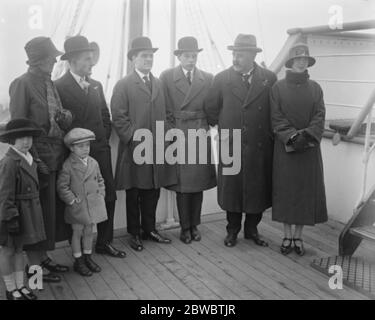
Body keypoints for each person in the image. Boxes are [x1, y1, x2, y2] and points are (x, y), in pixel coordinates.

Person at [55, 36, 125, 258]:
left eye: (92, 58)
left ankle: (104, 242)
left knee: (108, 195)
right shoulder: (59, 87)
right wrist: (76, 146)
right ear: (73, 60)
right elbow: (60, 123)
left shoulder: (95, 85)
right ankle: (78, 252)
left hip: (100, 150)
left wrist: (101, 138)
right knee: (76, 201)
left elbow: (105, 115)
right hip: (76, 156)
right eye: (87, 59)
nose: (91, 63)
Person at [9, 37, 72, 283]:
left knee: (48, 213)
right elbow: (18, 128)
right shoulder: (22, 84)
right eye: (51, 57)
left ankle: (43, 259)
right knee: (34, 217)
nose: (55, 60)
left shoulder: (48, 83)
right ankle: (34, 272)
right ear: (38, 60)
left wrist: (65, 117)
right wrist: (34, 159)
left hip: (55, 156)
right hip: (34, 161)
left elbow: (55, 118)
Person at [204, 34, 277, 248]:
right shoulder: (221, 79)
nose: (235, 59)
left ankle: (252, 229)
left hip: (259, 144)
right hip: (231, 143)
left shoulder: (269, 79)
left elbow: (275, 110)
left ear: (253, 56)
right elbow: (210, 108)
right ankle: (232, 230)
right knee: (232, 189)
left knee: (258, 188)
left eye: (240, 55)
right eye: (234, 54)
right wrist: (225, 128)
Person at [111, 37, 177, 251]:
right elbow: (119, 117)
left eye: (151, 55)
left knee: (153, 190)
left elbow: (167, 114)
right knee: (135, 192)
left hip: (157, 148)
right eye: (144, 55)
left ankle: (149, 229)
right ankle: (134, 233)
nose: (149, 59)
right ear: (133, 59)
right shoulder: (123, 85)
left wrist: (165, 135)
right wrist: (134, 139)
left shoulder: (158, 83)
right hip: (135, 149)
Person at [270, 43, 328, 256]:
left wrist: (307, 136)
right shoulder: (277, 88)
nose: (301, 62)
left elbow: (320, 116)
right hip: (286, 149)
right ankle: (286, 235)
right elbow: (276, 118)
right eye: (298, 59)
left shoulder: (315, 88)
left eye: (305, 59)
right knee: (286, 192)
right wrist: (292, 137)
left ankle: (298, 237)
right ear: (291, 62)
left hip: (308, 148)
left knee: (304, 193)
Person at [160, 36, 216, 244]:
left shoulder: (208, 78)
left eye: (194, 56)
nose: (191, 60)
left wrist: (207, 127)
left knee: (198, 184)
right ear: (179, 57)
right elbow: (163, 109)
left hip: (200, 133)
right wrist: (171, 131)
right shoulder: (166, 77)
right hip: (178, 134)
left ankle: (195, 225)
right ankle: (185, 227)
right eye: (187, 56)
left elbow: (212, 107)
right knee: (183, 186)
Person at [0, 118, 45, 300]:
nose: (26, 141)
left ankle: (21, 286)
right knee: (7, 251)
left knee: (20, 250)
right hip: (14, 214)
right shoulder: (10, 162)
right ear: (12, 140)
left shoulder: (29, 158)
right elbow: (4, 194)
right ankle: (10, 289)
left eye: (29, 137)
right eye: (21, 138)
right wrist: (10, 218)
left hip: (28, 213)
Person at [57, 128, 107, 276]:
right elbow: (62, 187)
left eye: (87, 146)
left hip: (92, 205)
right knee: (77, 232)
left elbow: (100, 179)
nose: (85, 149)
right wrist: (72, 200)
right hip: (78, 207)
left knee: (89, 231)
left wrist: (101, 194)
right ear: (71, 148)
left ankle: (87, 257)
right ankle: (78, 261)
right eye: (80, 146)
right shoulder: (68, 165)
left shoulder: (93, 162)